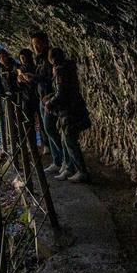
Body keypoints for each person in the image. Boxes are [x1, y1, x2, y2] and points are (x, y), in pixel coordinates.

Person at [50, 48, 91, 181]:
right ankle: (69, 168)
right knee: (65, 139)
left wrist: (49, 102)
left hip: (69, 111)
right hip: (70, 110)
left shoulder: (60, 70)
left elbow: (61, 92)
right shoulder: (67, 68)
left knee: (70, 140)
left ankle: (81, 171)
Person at [30, 33, 65, 173]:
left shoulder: (49, 59)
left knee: (51, 128)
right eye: (33, 44)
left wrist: (35, 78)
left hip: (50, 98)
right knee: (47, 129)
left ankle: (63, 160)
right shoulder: (38, 60)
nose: (36, 46)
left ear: (45, 43)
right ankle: (57, 161)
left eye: (38, 43)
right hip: (42, 97)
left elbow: (51, 79)